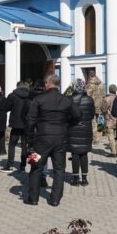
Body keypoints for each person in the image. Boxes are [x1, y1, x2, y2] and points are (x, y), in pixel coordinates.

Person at [24, 74, 80, 206]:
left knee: (34, 167)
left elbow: (30, 121)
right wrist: (67, 125)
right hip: (60, 139)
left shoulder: (38, 99)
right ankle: (55, 199)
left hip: (40, 140)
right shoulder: (66, 100)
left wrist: (29, 140)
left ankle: (33, 198)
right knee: (59, 169)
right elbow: (78, 115)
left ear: (47, 83)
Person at [68, 79, 94, 186]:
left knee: (74, 153)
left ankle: (75, 179)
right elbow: (92, 115)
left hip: (73, 129)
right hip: (86, 129)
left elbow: (67, 115)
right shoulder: (89, 100)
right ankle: (84, 179)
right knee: (84, 153)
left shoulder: (69, 99)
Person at [2, 82, 30, 172]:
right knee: (24, 145)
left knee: (12, 144)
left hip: (15, 123)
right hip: (26, 123)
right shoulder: (30, 96)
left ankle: (10, 165)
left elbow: (6, 107)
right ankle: (23, 166)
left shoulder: (12, 95)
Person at [84, 71, 105, 143]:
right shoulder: (101, 84)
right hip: (100, 105)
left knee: (93, 123)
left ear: (89, 76)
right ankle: (99, 137)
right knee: (100, 122)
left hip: (92, 106)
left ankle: (95, 139)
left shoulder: (90, 85)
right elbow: (103, 95)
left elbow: (87, 95)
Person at [101, 84, 117, 157]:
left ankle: (113, 152)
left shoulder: (106, 99)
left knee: (110, 136)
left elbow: (103, 109)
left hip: (109, 119)